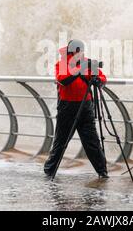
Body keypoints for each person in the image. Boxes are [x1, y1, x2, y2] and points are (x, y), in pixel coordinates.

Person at [44, 39, 109, 179]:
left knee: (92, 142)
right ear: (71, 51)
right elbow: (63, 80)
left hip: (86, 106)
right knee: (61, 142)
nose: (80, 54)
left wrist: (100, 80)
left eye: (81, 51)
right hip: (67, 107)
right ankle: (49, 170)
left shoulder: (87, 62)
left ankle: (102, 171)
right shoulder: (61, 64)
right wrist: (79, 69)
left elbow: (102, 77)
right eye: (77, 51)